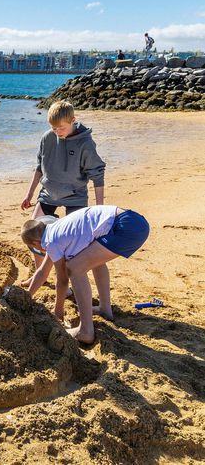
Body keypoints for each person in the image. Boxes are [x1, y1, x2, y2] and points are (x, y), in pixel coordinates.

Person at [21, 205, 149, 344]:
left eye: (36, 248)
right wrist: (27, 296)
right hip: (135, 220)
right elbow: (42, 272)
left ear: (36, 242)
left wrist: (58, 310)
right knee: (95, 260)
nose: (40, 251)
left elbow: (63, 279)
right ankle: (105, 309)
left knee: (74, 269)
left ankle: (86, 331)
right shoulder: (56, 230)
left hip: (125, 227)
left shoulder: (51, 241)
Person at [20, 100, 106, 290]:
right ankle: (39, 275)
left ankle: (66, 283)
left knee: (74, 246)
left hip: (75, 197)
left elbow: (97, 176)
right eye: (53, 127)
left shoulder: (85, 143)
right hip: (48, 193)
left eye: (61, 128)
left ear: (73, 120)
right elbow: (38, 168)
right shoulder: (47, 138)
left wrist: (99, 209)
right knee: (32, 236)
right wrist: (29, 194)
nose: (57, 132)